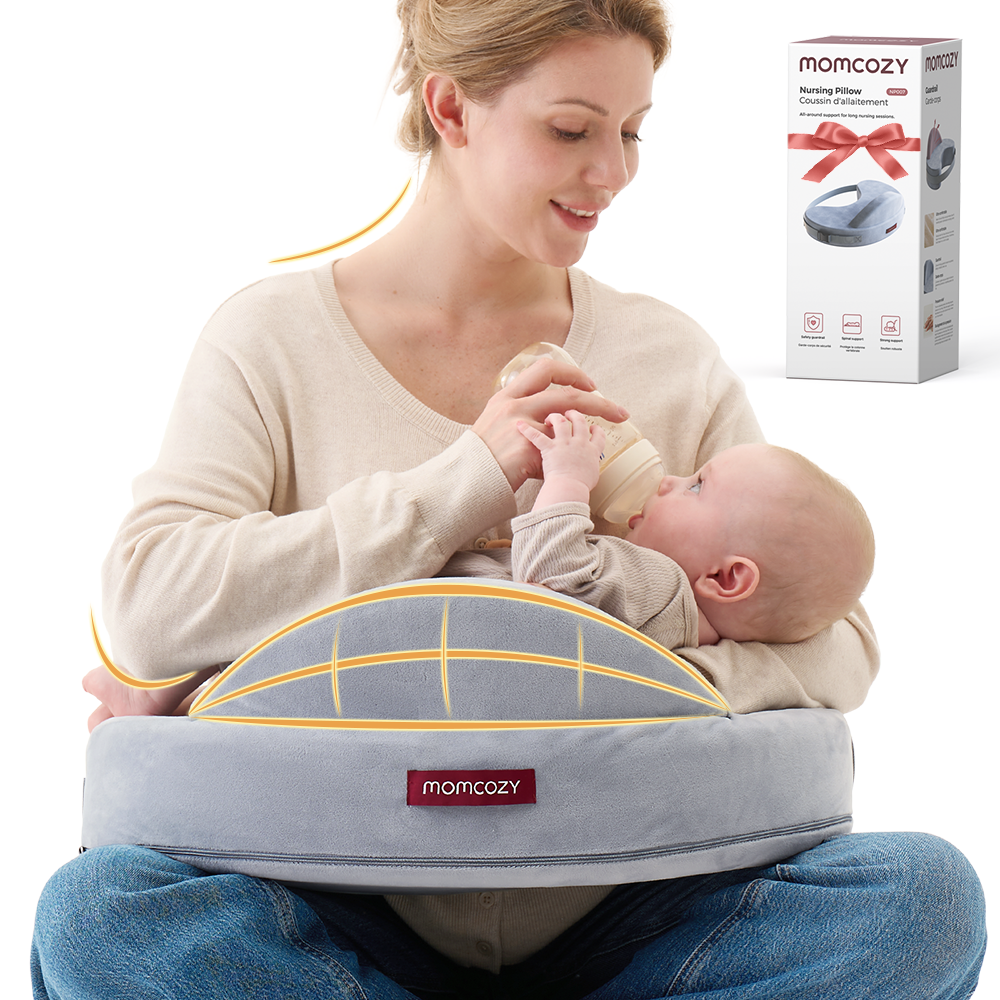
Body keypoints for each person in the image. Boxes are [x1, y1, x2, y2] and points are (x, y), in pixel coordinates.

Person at [32, 1, 985, 997]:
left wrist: (625, 673)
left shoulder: (666, 355)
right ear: (450, 108)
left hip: (636, 893)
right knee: (101, 914)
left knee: (919, 899)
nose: (612, 172)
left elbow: (835, 637)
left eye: (632, 132)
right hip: (332, 896)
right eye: (571, 130)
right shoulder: (270, 341)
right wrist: (464, 483)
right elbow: (148, 606)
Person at [510, 410, 874, 654]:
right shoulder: (682, 629)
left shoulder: (666, 594)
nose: (669, 481)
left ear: (725, 578)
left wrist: (567, 478)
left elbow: (546, 585)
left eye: (697, 486)